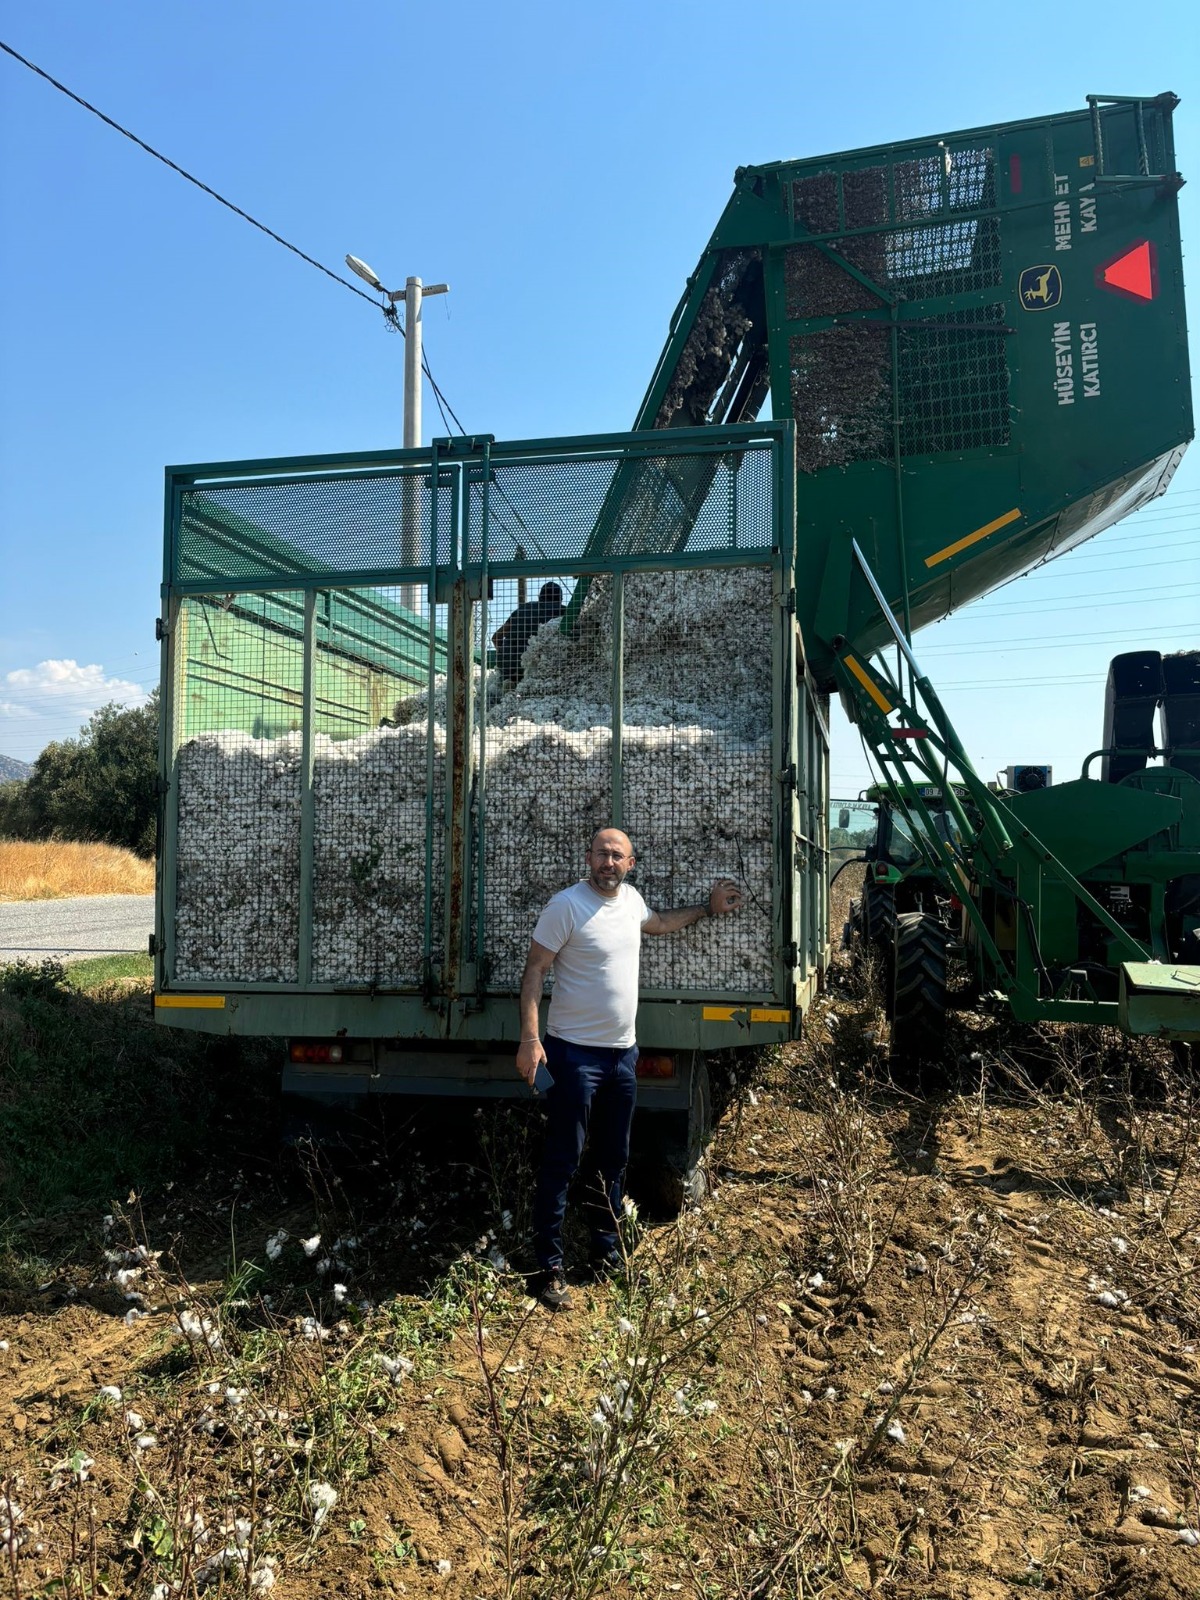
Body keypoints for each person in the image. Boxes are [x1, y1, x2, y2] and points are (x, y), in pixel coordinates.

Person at [516, 827, 743, 1309]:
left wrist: (706, 908)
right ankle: (548, 1267)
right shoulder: (566, 906)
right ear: (588, 857)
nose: (608, 862)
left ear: (630, 864)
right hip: (573, 1054)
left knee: (613, 1158)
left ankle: (605, 1249)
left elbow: (657, 923)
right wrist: (531, 1041)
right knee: (563, 1159)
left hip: (622, 1055)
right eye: (601, 854)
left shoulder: (632, 901)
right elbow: (535, 970)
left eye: (617, 856)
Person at [493, 581, 565, 685]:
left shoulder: (522, 609)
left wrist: (503, 654)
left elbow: (496, 637)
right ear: (560, 599)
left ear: (539, 597)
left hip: (510, 662)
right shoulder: (564, 612)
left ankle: (510, 682)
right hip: (542, 666)